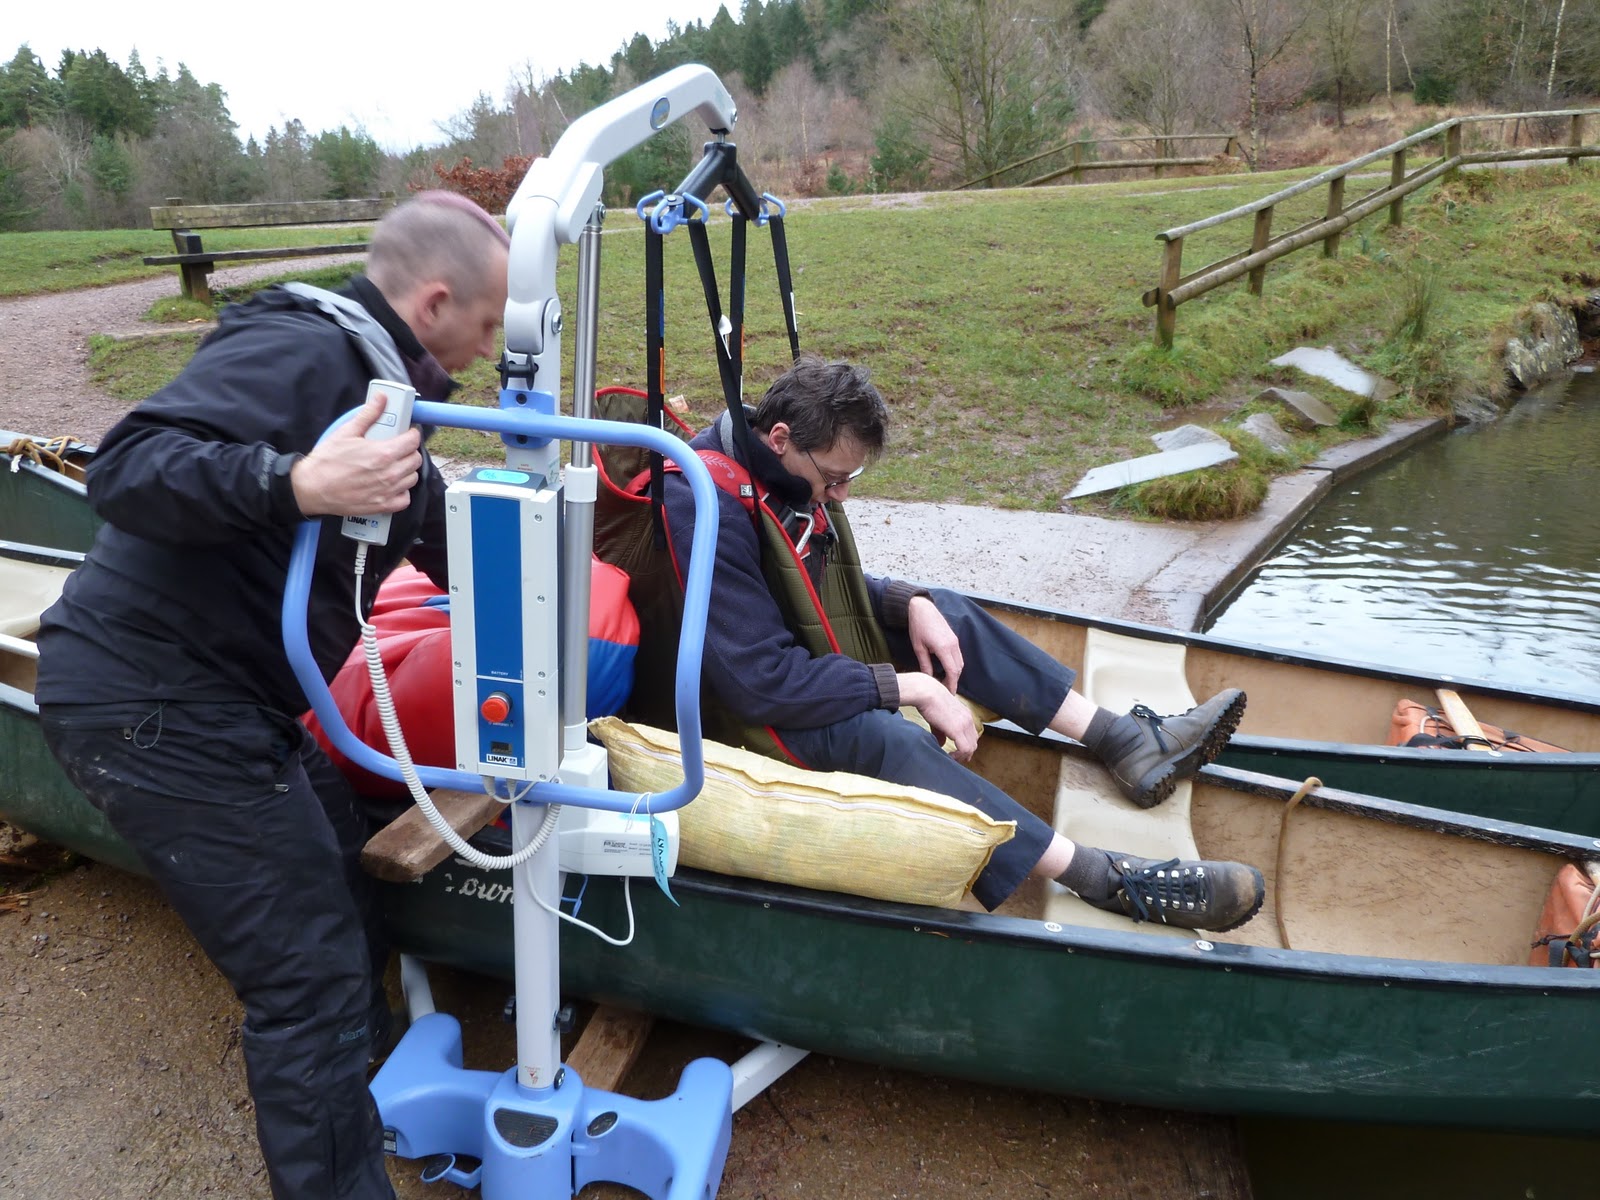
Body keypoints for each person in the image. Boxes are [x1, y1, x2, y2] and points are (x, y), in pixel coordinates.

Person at [33, 191, 511, 1200]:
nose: (489, 345)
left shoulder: (390, 404)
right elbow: (126, 465)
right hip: (149, 700)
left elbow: (438, 531)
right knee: (305, 977)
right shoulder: (308, 357)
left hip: (227, 704)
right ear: (433, 304)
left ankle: (366, 1089)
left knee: (342, 866)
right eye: (486, 322)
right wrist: (293, 484)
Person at [654, 356, 1265, 931]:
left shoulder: (777, 473)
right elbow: (757, 680)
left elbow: (802, 581)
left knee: (941, 611)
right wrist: (904, 686)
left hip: (768, 661)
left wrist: (908, 602)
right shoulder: (702, 506)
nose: (840, 496)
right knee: (884, 734)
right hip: (725, 703)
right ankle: (1101, 877)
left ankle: (1123, 739)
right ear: (781, 436)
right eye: (835, 479)